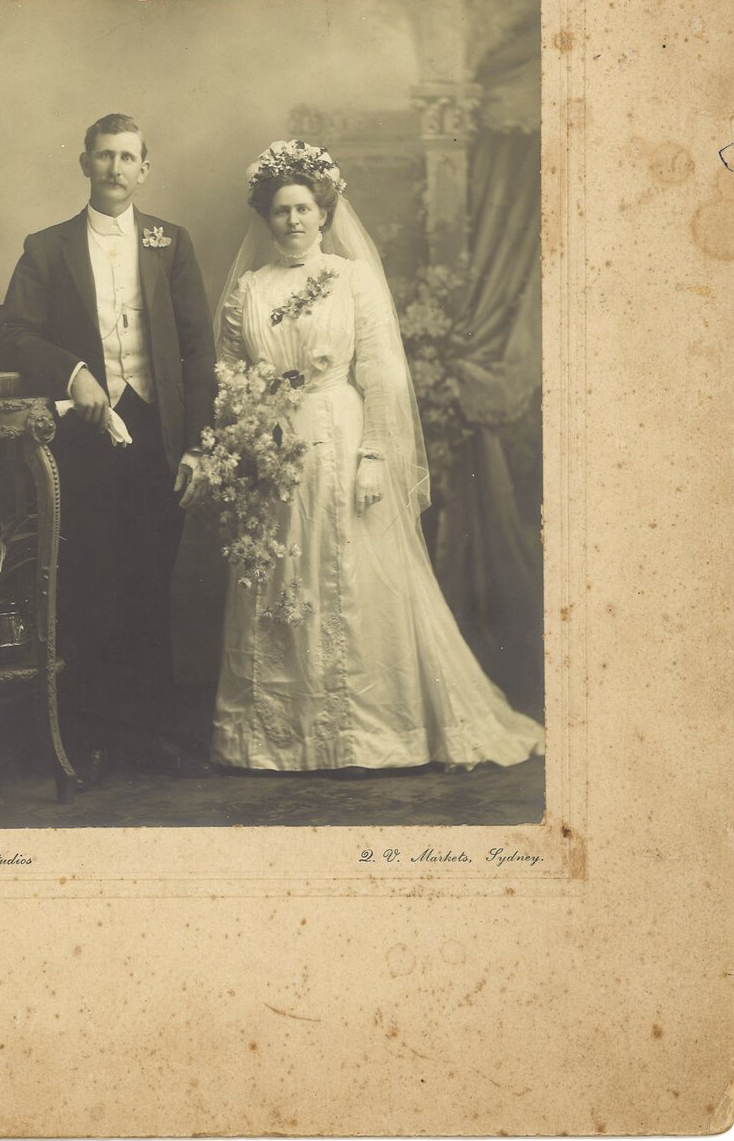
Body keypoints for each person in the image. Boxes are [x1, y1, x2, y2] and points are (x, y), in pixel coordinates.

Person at [209, 140, 545, 774]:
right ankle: (277, 739)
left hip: (339, 437)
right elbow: (229, 371)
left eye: (305, 208)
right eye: (281, 211)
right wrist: (244, 441)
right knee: (280, 577)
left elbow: (384, 374)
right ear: (266, 216)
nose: (294, 221)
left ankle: (363, 734)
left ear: (326, 211)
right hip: (271, 451)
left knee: (352, 578)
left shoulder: (350, 278)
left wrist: (373, 457)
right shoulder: (248, 290)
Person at [0, 114, 216, 782]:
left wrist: (198, 446)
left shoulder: (171, 243)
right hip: (85, 441)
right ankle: (91, 736)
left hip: (159, 438)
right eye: (104, 156)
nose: (116, 169)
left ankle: (154, 738)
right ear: (85, 163)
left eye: (128, 157)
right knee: (92, 586)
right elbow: (7, 336)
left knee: (152, 583)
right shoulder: (49, 247)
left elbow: (199, 352)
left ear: (145, 168)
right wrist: (72, 371)